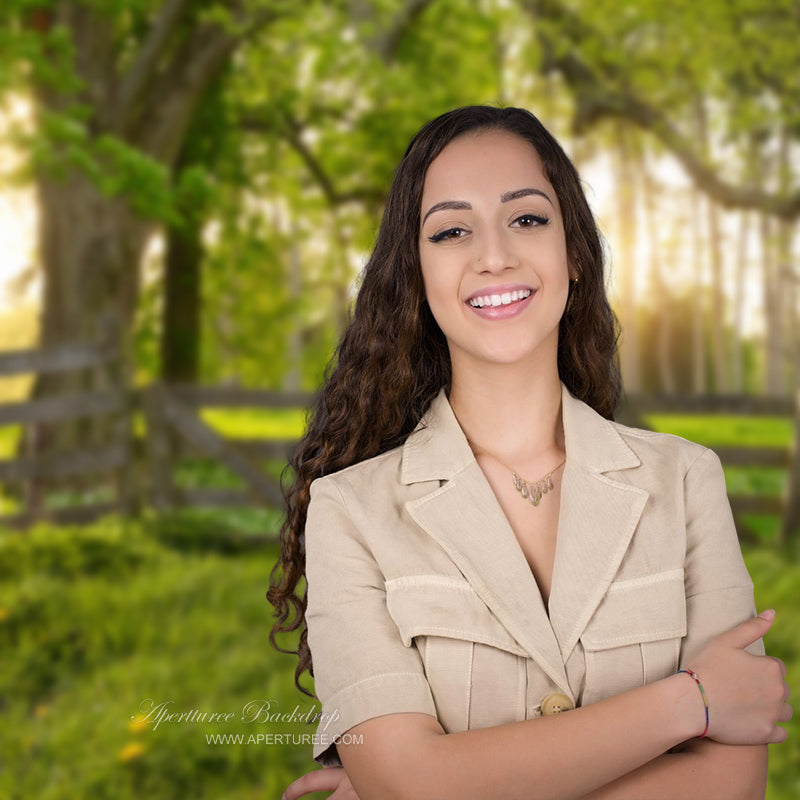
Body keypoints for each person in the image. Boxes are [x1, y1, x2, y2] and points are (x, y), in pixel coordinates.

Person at [268, 105, 792, 800]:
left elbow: (732, 785)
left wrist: (440, 783)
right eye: (452, 231)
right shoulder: (348, 513)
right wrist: (691, 702)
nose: (494, 256)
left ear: (573, 252)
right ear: (416, 277)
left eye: (527, 219)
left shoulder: (687, 481)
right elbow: (409, 785)